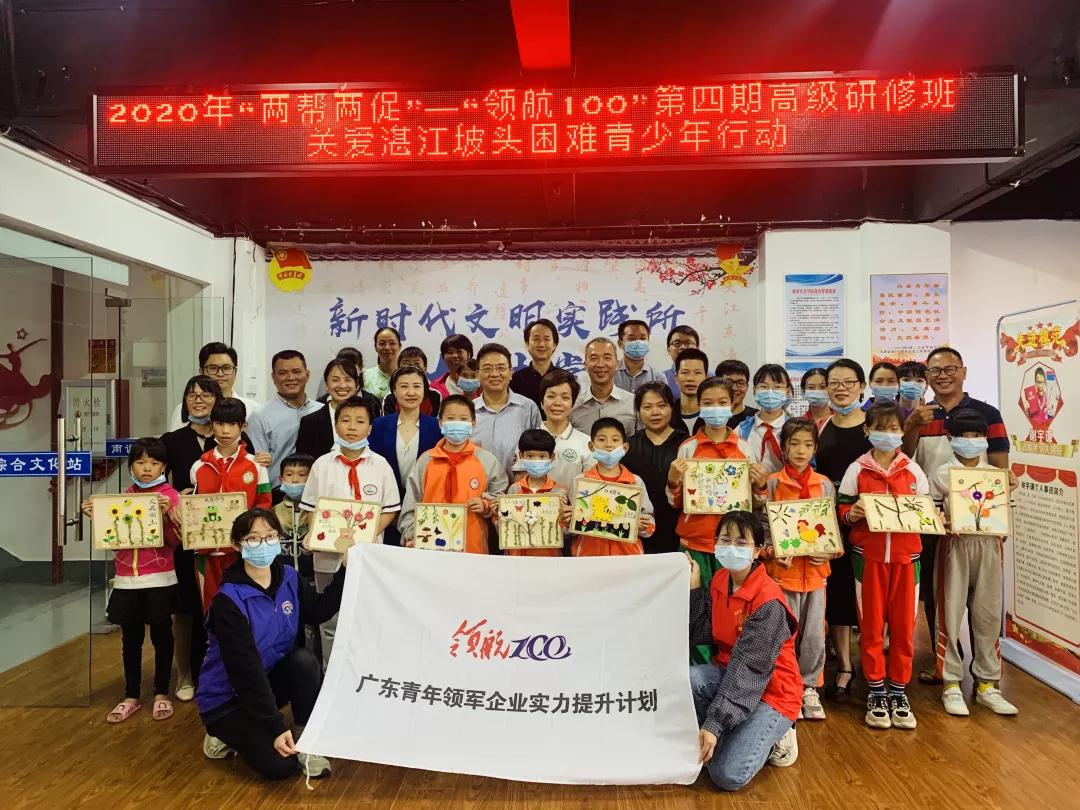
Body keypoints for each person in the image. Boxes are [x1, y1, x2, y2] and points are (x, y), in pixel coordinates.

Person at [196, 508, 342, 780]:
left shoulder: (289, 577)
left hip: (266, 681)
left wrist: (345, 569)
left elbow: (318, 611)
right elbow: (245, 671)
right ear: (237, 545)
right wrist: (275, 726)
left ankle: (306, 740)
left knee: (304, 661)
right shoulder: (228, 600)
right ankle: (221, 733)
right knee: (280, 767)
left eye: (270, 536)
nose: (263, 544)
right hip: (227, 697)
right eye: (253, 538)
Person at [902, 346, 1010, 685]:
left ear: (963, 372)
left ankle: (985, 674)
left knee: (983, 599)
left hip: (979, 520)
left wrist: (999, 514)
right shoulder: (921, 414)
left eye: (950, 369)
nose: (943, 376)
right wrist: (911, 424)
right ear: (927, 377)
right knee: (937, 595)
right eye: (935, 371)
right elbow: (904, 456)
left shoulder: (987, 413)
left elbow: (1000, 468)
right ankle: (945, 665)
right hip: (932, 515)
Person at [688, 511, 800, 791]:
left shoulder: (768, 601)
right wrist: (695, 588)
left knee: (727, 775)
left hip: (772, 691)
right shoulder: (720, 580)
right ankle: (735, 726)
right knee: (691, 679)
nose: (731, 548)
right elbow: (703, 633)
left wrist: (714, 724)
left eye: (741, 543)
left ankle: (780, 734)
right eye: (725, 540)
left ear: (757, 550)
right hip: (730, 675)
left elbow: (750, 670)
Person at [161, 375, 258, 701]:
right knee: (192, 610)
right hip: (193, 542)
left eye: (205, 395)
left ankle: (236, 675)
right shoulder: (178, 445)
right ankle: (190, 675)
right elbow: (164, 484)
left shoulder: (246, 452)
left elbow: (256, 495)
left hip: (235, 548)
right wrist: (176, 501)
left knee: (235, 609)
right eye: (192, 395)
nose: (198, 400)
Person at [837, 401, 930, 730]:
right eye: (880, 428)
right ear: (867, 431)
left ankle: (899, 690)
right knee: (871, 627)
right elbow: (842, 509)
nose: (887, 434)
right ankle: (876, 690)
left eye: (893, 429)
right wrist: (852, 515)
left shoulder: (914, 471)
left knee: (904, 629)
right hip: (869, 559)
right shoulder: (857, 470)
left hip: (907, 561)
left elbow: (925, 511)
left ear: (903, 432)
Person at [81, 437, 180, 724]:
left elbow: (176, 541)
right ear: (131, 467)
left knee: (162, 635)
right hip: (126, 579)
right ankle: (131, 695)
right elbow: (115, 540)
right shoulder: (124, 497)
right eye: (140, 462)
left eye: (154, 463)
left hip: (160, 578)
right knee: (130, 639)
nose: (147, 468)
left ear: (163, 467)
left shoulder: (170, 496)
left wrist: (167, 516)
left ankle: (161, 692)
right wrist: (98, 517)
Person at [929, 408, 1019, 717]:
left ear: (985, 438)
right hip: (954, 546)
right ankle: (951, 682)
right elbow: (933, 512)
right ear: (950, 438)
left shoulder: (995, 474)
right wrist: (942, 520)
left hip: (989, 546)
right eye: (963, 435)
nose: (970, 441)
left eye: (977, 435)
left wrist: (1007, 489)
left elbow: (1003, 512)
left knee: (988, 613)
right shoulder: (942, 473)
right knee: (950, 612)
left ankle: (987, 683)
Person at [666, 378, 762, 664]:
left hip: (732, 547)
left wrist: (759, 486)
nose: (715, 409)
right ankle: (699, 669)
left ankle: (729, 663)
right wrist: (673, 481)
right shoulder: (688, 448)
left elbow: (754, 505)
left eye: (722, 403)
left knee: (731, 607)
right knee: (695, 605)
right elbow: (675, 503)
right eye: (708, 403)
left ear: (732, 405)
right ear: (699, 406)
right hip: (695, 542)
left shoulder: (744, 449)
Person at [299, 397, 399, 667]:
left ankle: (365, 672)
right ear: (336, 425)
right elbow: (310, 508)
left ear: (370, 428)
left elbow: (389, 510)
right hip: (327, 556)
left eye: (360, 421)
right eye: (345, 420)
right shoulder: (322, 465)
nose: (352, 427)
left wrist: (365, 538)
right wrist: (316, 533)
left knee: (367, 615)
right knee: (329, 620)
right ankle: (331, 673)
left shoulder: (380, 466)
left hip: (368, 555)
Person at [762, 418, 837, 721]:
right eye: (794, 444)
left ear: (815, 448)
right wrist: (772, 553)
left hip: (816, 575)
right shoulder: (773, 483)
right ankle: (785, 687)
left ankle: (809, 687)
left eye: (807, 444)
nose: (800, 451)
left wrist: (830, 551)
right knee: (783, 634)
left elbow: (831, 529)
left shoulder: (825, 484)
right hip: (783, 574)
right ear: (784, 447)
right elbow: (764, 528)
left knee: (814, 635)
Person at [815, 358, 871, 700]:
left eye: (848, 382)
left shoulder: (874, 427)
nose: (841, 388)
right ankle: (845, 666)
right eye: (833, 382)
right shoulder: (820, 427)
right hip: (829, 523)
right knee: (836, 593)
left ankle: (874, 664)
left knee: (868, 592)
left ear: (861, 386)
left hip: (869, 523)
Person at [189, 398, 272, 613]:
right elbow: (193, 509)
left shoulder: (256, 466)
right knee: (211, 611)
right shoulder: (199, 466)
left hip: (243, 553)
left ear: (243, 426)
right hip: (206, 555)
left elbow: (263, 506)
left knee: (245, 609)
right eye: (219, 423)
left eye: (232, 424)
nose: (225, 430)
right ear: (211, 425)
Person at [398, 395, 509, 554]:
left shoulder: (487, 460)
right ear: (440, 422)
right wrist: (410, 535)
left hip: (473, 549)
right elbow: (411, 503)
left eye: (463, 419)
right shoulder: (425, 461)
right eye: (450, 418)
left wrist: (486, 504)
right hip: (429, 550)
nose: (457, 423)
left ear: (473, 423)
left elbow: (501, 499)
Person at [368, 366, 443, 547]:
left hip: (423, 510)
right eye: (404, 386)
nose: (411, 392)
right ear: (394, 391)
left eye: (416, 386)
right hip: (385, 511)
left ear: (424, 390)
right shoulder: (378, 426)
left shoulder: (437, 428)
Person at [569, 417, 655, 556]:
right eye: (602, 439)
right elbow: (572, 524)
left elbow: (649, 523)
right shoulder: (580, 481)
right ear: (591, 446)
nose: (609, 445)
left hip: (628, 556)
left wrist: (642, 525)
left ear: (625, 447)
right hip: (589, 555)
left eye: (615, 440)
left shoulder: (635, 482)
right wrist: (568, 521)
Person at [623, 382, 688, 554]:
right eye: (647, 407)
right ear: (638, 411)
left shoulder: (686, 444)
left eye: (661, 405)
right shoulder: (628, 447)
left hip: (677, 529)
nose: (655, 412)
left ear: (671, 408)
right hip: (638, 530)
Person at [247, 350, 323, 485]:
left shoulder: (322, 411)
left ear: (307, 374)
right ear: (273, 377)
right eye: (283, 373)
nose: (290, 377)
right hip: (277, 492)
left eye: (296, 371)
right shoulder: (260, 416)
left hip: (318, 490)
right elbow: (258, 465)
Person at [499, 429, 573, 558]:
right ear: (521, 456)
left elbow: (566, 534)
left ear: (552, 457)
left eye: (542, 456)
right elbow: (506, 527)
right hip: (517, 557)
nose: (536, 461)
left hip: (549, 557)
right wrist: (497, 514)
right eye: (530, 456)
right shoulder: (514, 489)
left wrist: (567, 520)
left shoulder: (560, 492)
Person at [474, 342, 542, 480]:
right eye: (487, 369)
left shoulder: (528, 408)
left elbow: (540, 452)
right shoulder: (467, 412)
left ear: (511, 373)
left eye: (501, 368)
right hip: (476, 490)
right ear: (477, 375)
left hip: (519, 490)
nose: (494, 374)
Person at [296, 358, 380, 460]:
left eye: (347, 379)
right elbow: (303, 463)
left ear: (356, 384)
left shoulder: (370, 417)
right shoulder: (310, 422)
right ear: (326, 384)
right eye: (335, 380)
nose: (342, 385)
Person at [167, 342, 261, 430]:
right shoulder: (187, 409)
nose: (220, 374)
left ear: (235, 372)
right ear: (201, 372)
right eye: (213, 368)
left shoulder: (253, 410)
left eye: (226, 368)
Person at [533, 369, 594, 491]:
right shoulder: (528, 439)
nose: (557, 403)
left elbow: (591, 487)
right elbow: (519, 484)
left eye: (565, 397)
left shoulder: (586, 443)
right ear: (541, 402)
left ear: (572, 404)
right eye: (551, 396)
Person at [570, 337, 637, 437]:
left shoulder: (633, 403)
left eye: (607, 358)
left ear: (617, 364)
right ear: (585, 365)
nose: (600, 364)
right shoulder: (573, 404)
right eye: (594, 358)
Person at [734, 364, 793, 475]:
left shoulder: (797, 429)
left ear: (787, 391)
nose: (770, 392)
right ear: (754, 391)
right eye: (763, 386)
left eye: (777, 387)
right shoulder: (741, 430)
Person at [274, 453, 314, 564]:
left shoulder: (319, 513)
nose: (295, 480)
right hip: (283, 571)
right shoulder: (273, 512)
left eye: (302, 475)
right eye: (289, 474)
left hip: (312, 572)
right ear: (281, 479)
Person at [510, 318, 559, 406]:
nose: (541, 344)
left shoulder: (565, 378)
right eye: (536, 339)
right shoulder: (515, 379)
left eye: (546, 339)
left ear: (554, 345)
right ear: (527, 343)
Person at [382, 346, 442, 415]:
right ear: (398, 368)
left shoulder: (435, 395)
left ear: (425, 368)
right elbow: (387, 421)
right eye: (405, 364)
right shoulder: (390, 398)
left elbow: (436, 421)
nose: (411, 368)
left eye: (417, 364)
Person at [614, 320, 664, 393]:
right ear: (620, 343)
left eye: (642, 338)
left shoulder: (658, 377)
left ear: (648, 342)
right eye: (631, 339)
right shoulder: (610, 374)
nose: (638, 343)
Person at [671, 348, 709, 437]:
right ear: (676, 378)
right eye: (685, 372)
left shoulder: (714, 416)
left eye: (697, 373)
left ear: (706, 378)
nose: (690, 378)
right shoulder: (667, 416)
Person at [715, 360, 758, 430]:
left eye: (740, 383)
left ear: (747, 386)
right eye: (728, 382)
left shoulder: (757, 417)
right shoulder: (708, 417)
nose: (734, 388)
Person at [362, 327, 401, 402]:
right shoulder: (365, 376)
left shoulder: (408, 375)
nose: (387, 347)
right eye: (382, 344)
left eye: (392, 343)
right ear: (375, 347)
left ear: (399, 346)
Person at [431, 334, 474, 398]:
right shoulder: (434, 388)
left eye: (459, 351)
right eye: (450, 352)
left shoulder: (482, 384)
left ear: (468, 354)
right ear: (443, 357)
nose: (455, 356)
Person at [663, 325, 700, 398]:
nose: (683, 347)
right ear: (668, 349)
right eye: (677, 343)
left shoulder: (711, 376)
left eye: (688, 343)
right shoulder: (661, 378)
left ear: (697, 348)